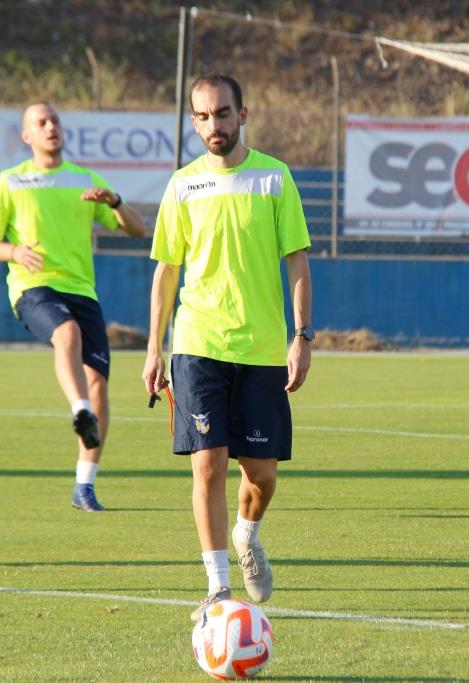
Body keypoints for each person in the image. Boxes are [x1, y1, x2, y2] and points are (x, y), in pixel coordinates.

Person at [142, 74, 314, 620]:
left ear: (244, 113)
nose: (212, 126)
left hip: (262, 349)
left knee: (260, 476)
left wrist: (302, 335)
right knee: (208, 465)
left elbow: (298, 261)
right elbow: (167, 272)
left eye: (221, 114)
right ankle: (217, 588)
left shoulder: (274, 178)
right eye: (202, 117)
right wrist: (153, 348)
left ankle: (247, 533)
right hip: (197, 344)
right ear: (193, 121)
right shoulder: (182, 186)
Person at [0, 102, 147, 512]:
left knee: (100, 384)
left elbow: (138, 229)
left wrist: (116, 201)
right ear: (27, 136)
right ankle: (79, 407)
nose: (51, 127)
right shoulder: (10, 183)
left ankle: (84, 487)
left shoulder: (83, 180)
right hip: (34, 289)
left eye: (55, 121)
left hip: (82, 292)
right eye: (41, 123)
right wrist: (14, 251)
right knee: (66, 333)